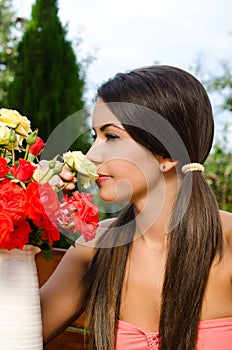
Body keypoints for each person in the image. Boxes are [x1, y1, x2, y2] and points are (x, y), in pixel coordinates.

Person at [40, 65, 232, 350]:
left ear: (167, 155)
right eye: (95, 136)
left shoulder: (228, 242)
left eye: (112, 136)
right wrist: (28, 210)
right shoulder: (94, 248)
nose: (91, 155)